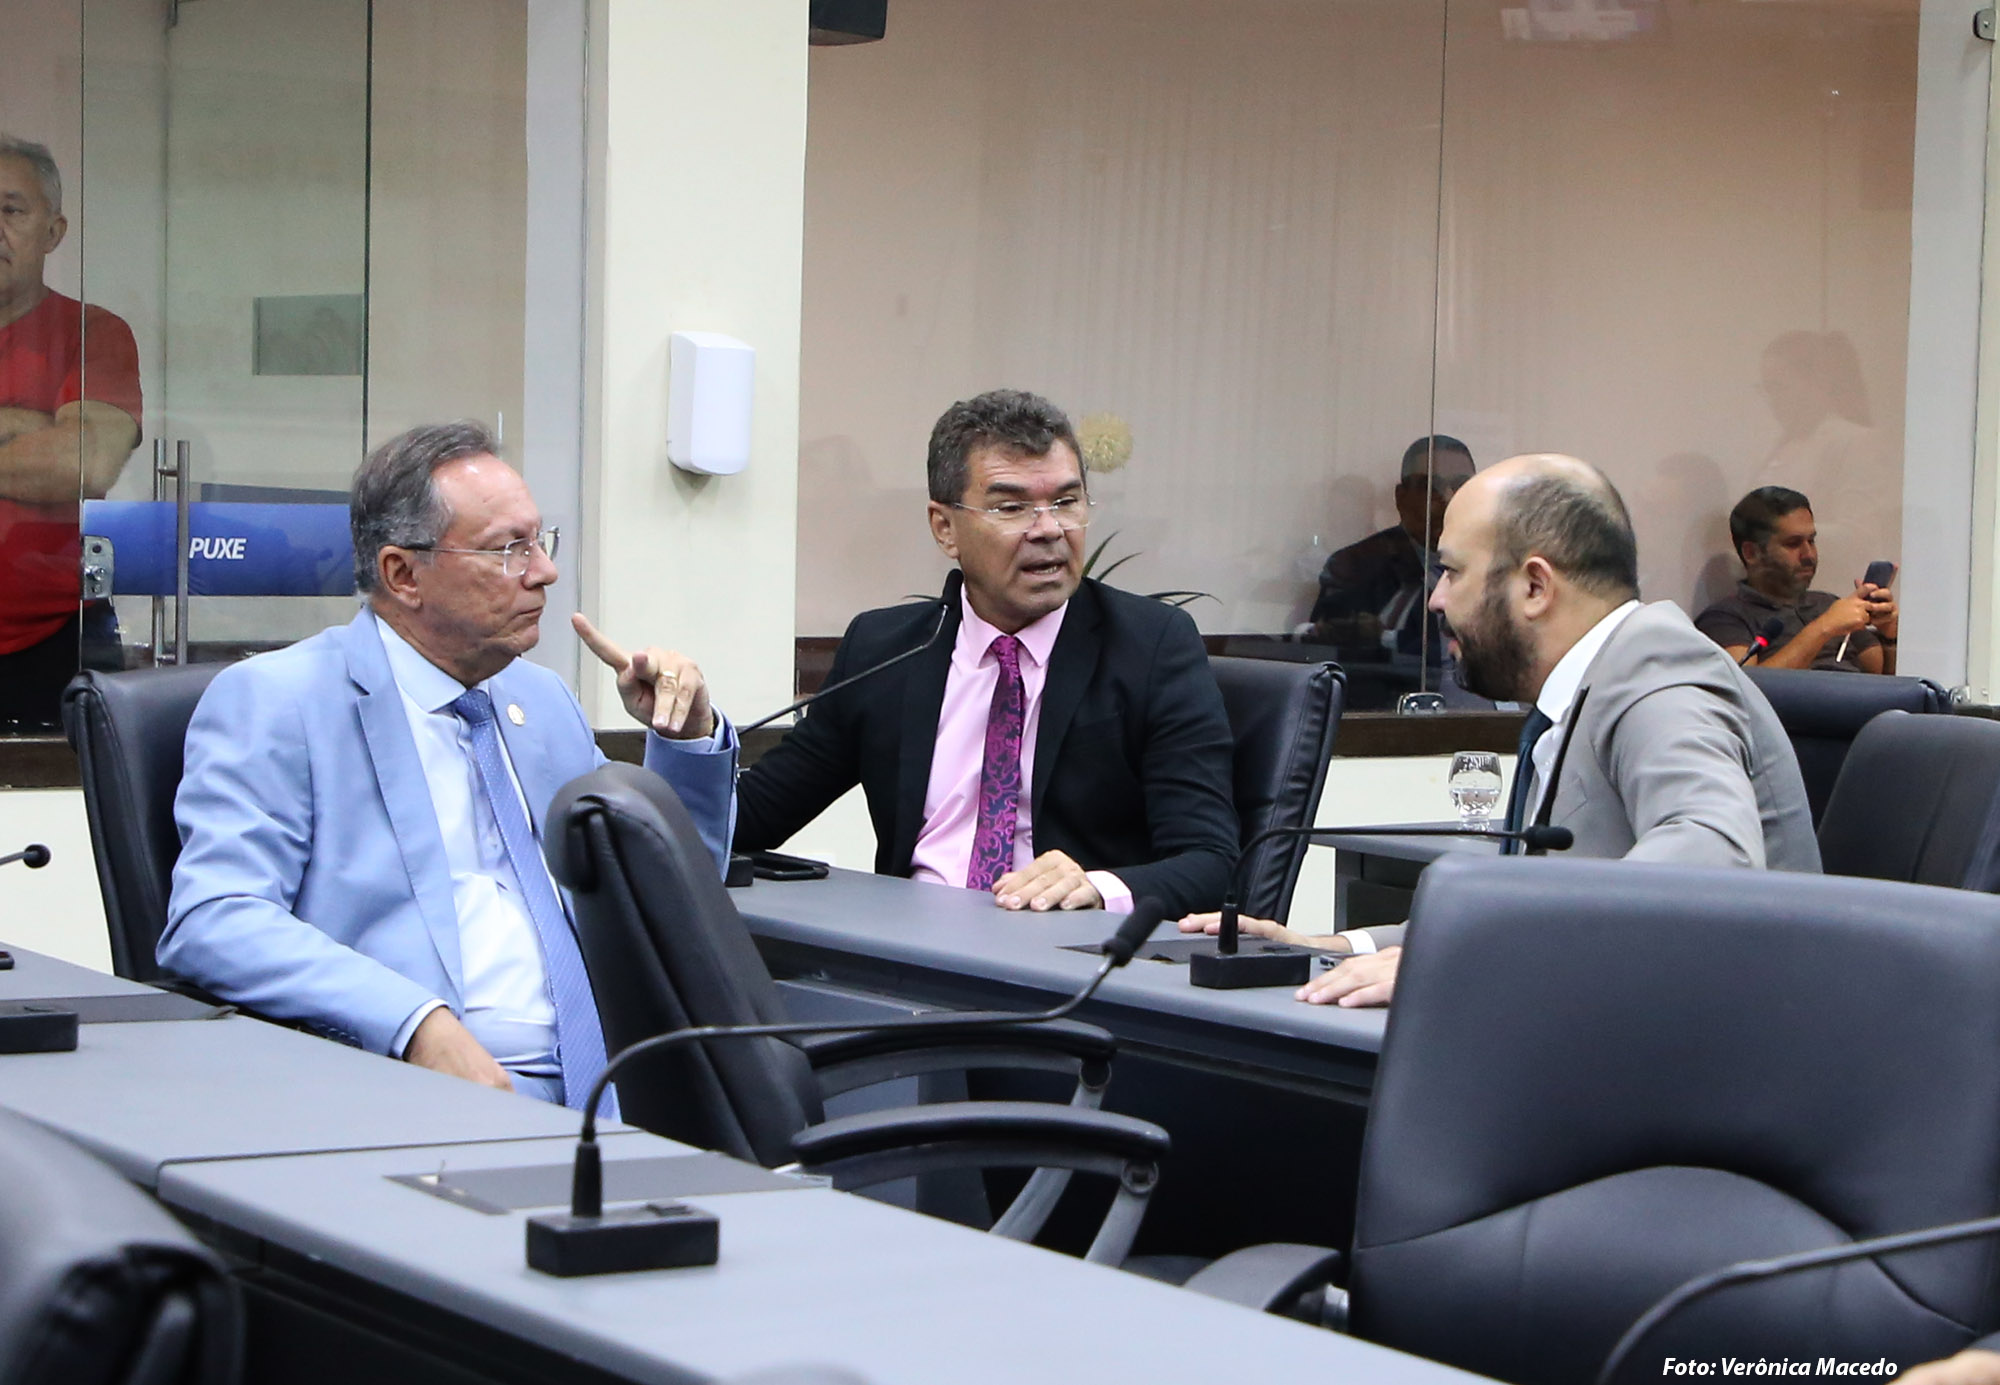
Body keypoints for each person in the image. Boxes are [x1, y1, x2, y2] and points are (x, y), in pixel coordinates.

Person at [160, 421, 737, 1108]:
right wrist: (413, 1022)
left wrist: (688, 739)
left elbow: (668, 899)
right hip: (421, 1090)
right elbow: (216, 917)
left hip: (621, 1080)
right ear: (403, 574)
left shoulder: (541, 700)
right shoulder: (283, 701)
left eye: (540, 541)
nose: (544, 571)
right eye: (508, 550)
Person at [1182, 452, 1818, 1006]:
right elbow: (1528, 910)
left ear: (1536, 586)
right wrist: (1328, 948)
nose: (1436, 598)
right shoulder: (1585, 688)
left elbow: (1713, 855)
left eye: (1454, 571)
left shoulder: (1657, 671)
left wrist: (1471, 959)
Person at [734, 388, 1239, 920]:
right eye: (1012, 507)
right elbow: (750, 820)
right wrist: (693, 739)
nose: (1049, 530)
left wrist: (1095, 887)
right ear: (945, 528)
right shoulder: (885, 650)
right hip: (906, 944)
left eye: (1066, 502)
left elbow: (1210, 863)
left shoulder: (1150, 647)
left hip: (1063, 950)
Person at [0, 135, 142, 729]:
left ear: (53, 232)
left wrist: (62, 443)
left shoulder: (92, 333)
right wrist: (26, 426)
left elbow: (86, 463)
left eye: (10, 210)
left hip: (59, 637)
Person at [1694, 486, 1896, 674]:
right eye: (1793, 544)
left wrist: (1890, 634)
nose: (1809, 554)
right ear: (1751, 553)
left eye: (1811, 541)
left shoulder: (1828, 603)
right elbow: (1747, 686)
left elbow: (1879, 671)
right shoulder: (1724, 618)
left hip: (1863, 696)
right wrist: (1824, 628)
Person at [1306, 435, 1476, 658]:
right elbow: (1328, 654)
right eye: (1429, 487)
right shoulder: (1356, 565)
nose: (1447, 497)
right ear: (1401, 497)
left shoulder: (1493, 561)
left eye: (1460, 485)